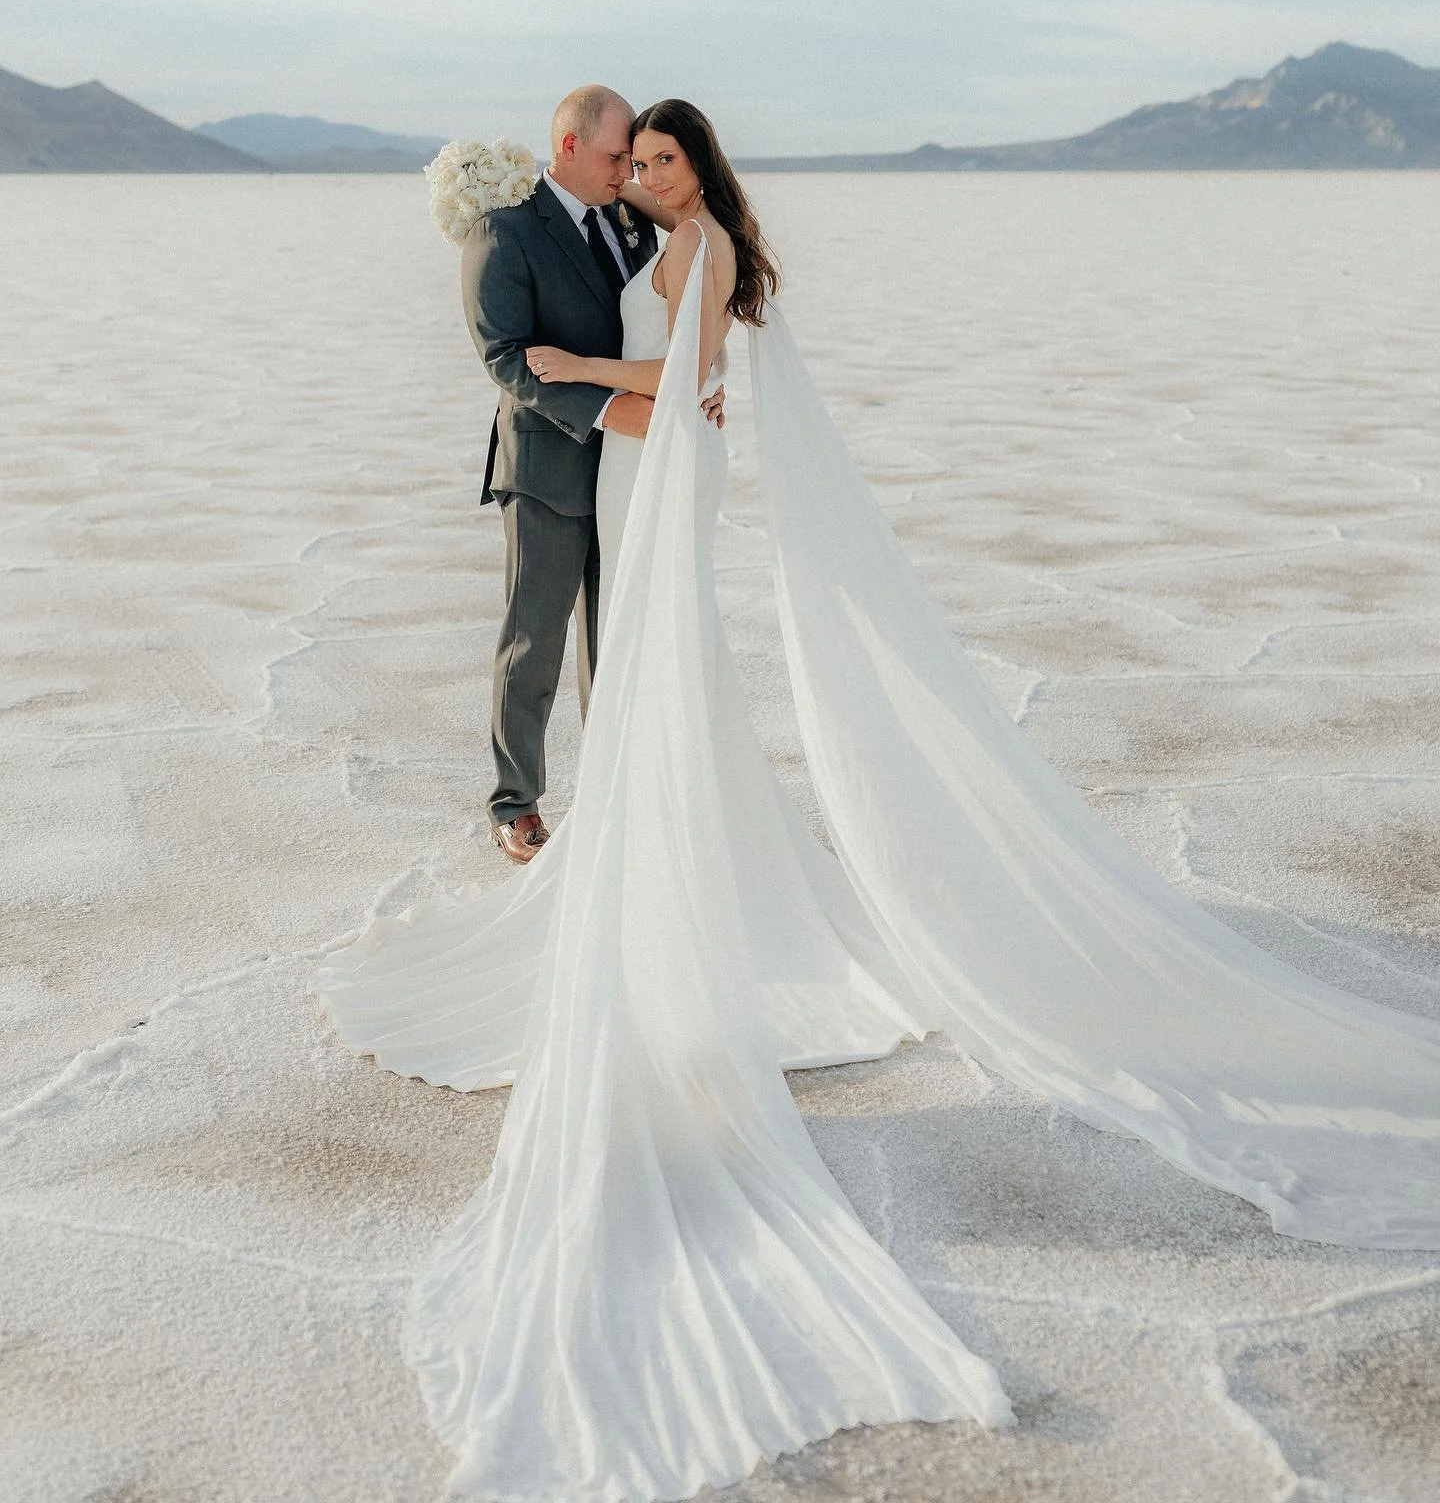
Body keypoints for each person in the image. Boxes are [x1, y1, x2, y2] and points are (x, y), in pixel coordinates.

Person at [313, 101, 1440, 1503]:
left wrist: (625, 375)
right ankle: (572, 810)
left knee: (660, 663)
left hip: (657, 459)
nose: (643, 173)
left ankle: (663, 853)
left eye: (661, 158)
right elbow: (545, 359)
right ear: (588, 154)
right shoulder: (576, 229)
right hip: (611, 460)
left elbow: (691, 362)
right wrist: (623, 380)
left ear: (689, 169)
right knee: (587, 656)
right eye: (632, 155)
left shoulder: (696, 239)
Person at [460, 84, 719, 863]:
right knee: (533, 642)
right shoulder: (504, 231)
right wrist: (608, 409)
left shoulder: (632, 220)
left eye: (637, 159)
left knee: (618, 640)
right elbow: (506, 358)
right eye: (616, 158)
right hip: (547, 467)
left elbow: (672, 317)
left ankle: (619, 794)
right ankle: (516, 804)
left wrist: (694, 387)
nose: (628, 173)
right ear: (568, 148)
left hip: (629, 472)